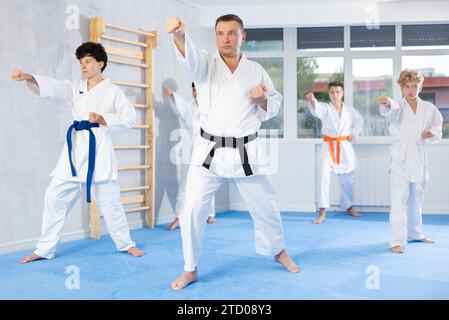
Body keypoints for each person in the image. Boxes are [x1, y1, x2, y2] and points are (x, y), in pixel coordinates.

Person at [165, 14, 299, 291]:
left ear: (243, 36)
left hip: (245, 150)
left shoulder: (256, 70)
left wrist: (261, 97)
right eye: (221, 33)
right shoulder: (205, 64)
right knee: (191, 209)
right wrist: (179, 35)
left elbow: (274, 104)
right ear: (215, 37)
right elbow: (188, 59)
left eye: (232, 33)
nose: (226, 38)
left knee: (266, 205)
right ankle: (190, 267)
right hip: (208, 150)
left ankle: (278, 250)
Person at [10, 42, 144, 263]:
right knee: (53, 197)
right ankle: (44, 248)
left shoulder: (112, 91)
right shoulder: (76, 86)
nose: (83, 65)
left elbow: (129, 119)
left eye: (88, 61)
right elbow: (54, 87)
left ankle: (126, 244)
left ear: (100, 64)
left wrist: (103, 119)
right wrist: (29, 77)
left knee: (111, 203)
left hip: (98, 150)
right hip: (74, 151)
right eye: (81, 62)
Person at [378, 68, 442, 254]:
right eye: (407, 86)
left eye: (415, 86)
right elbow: (390, 112)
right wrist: (387, 103)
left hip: (419, 156)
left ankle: (415, 233)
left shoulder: (429, 108)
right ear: (402, 88)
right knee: (399, 199)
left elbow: (438, 126)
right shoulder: (398, 106)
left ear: (420, 87)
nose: (411, 90)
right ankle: (397, 240)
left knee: (417, 199)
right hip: (400, 159)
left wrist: (431, 133)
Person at [306, 81, 363, 224]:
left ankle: (348, 206)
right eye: (332, 92)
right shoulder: (326, 108)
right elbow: (317, 109)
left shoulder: (349, 110)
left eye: (338, 92)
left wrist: (354, 132)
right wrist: (312, 100)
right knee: (323, 176)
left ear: (342, 93)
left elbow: (359, 121)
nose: (335, 95)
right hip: (328, 146)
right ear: (329, 93)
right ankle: (322, 211)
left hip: (344, 146)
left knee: (348, 180)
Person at [162, 83, 216, 231]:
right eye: (193, 89)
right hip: (191, 147)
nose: (195, 92)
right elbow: (178, 105)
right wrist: (172, 94)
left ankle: (209, 213)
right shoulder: (188, 107)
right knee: (186, 181)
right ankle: (179, 217)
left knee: (209, 180)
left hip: (208, 146)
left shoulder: (212, 107)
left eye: (198, 89)